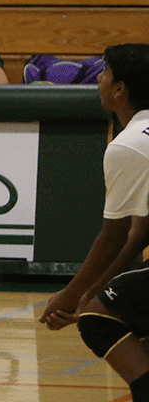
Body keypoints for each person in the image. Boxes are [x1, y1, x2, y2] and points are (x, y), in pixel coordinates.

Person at [41, 43, 149, 400]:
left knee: (97, 319)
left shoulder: (128, 145)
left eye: (104, 73)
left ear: (119, 89)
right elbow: (139, 235)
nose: (98, 79)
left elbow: (114, 237)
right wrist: (89, 293)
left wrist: (73, 297)